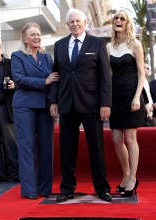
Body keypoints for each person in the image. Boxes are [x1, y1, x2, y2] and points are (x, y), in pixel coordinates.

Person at [50, 8, 112, 202]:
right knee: (67, 150)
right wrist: (53, 100)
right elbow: (56, 76)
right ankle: (67, 188)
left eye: (78, 21)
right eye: (71, 22)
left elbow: (105, 77)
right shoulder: (59, 45)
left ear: (85, 23)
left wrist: (105, 103)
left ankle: (102, 189)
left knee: (97, 149)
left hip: (92, 104)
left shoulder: (98, 43)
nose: (75, 24)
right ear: (67, 25)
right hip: (67, 104)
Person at [11, 22, 60, 199]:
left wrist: (55, 101)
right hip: (24, 106)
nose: (37, 37)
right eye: (32, 34)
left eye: (38, 34)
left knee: (47, 148)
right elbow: (19, 79)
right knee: (27, 148)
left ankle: (45, 189)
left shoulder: (47, 57)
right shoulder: (17, 56)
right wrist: (43, 82)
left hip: (45, 107)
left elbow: (55, 79)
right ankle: (30, 191)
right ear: (25, 38)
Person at [107, 9, 145, 197]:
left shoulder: (135, 44)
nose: (118, 20)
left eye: (122, 18)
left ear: (127, 23)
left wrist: (137, 97)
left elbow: (141, 73)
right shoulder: (108, 47)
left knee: (130, 139)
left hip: (131, 95)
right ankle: (126, 173)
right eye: (116, 18)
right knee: (115, 140)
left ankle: (132, 178)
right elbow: (109, 75)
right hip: (115, 98)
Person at [0, 38, 19, 182]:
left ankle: (16, 173)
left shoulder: (10, 64)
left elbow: (20, 79)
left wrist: (15, 85)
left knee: (10, 141)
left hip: (6, 107)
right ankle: (0, 174)